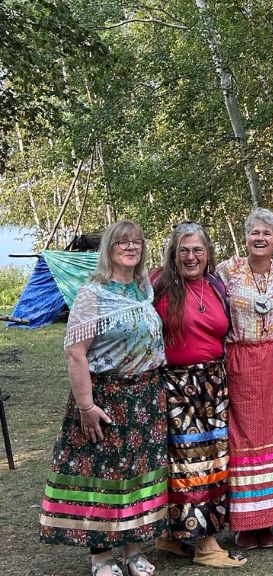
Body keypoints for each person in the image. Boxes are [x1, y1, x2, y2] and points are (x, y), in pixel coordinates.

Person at [40, 220, 167, 576]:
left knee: (138, 475)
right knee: (101, 476)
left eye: (137, 242)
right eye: (122, 242)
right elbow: (75, 352)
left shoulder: (143, 287)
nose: (130, 247)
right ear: (108, 248)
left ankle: (134, 551)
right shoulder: (92, 293)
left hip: (145, 396)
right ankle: (102, 557)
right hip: (106, 397)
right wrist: (86, 405)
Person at [152, 222, 246, 569]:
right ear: (173, 254)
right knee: (189, 464)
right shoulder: (158, 285)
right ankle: (205, 545)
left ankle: (171, 537)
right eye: (184, 251)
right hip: (176, 386)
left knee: (214, 462)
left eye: (197, 250)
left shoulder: (216, 285)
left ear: (208, 254)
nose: (191, 257)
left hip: (213, 384)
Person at [216, 209, 273, 550]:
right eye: (255, 233)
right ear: (246, 237)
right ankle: (245, 523)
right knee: (243, 439)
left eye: (267, 233)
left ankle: (270, 521)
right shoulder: (227, 271)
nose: (260, 238)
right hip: (240, 358)